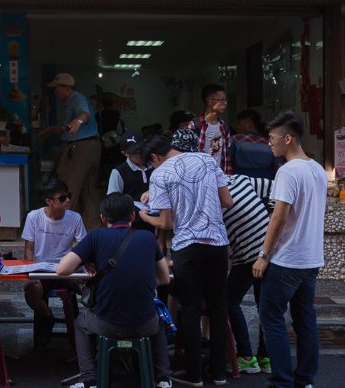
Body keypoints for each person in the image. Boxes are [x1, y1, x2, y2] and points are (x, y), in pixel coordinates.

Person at [140, 131, 233, 388]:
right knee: (217, 308)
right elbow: (227, 201)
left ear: (155, 158)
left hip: (187, 246)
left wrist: (145, 216)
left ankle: (193, 375)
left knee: (190, 310)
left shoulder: (160, 174)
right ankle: (219, 374)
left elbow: (166, 222)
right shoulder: (207, 160)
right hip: (217, 243)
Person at [56, 193, 172, 388]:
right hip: (145, 324)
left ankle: (89, 380)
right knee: (159, 319)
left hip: (106, 324)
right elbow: (164, 278)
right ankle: (163, 378)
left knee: (80, 323)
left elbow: (62, 269)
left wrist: (88, 260)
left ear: (103, 218)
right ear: (132, 216)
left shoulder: (96, 236)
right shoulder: (147, 238)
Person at [252, 111, 327, 388]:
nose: (269, 144)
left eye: (272, 139)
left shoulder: (287, 171)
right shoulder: (317, 168)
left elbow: (279, 217)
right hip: (310, 259)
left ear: (288, 138)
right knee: (304, 319)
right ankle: (304, 379)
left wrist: (263, 255)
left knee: (271, 319)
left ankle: (281, 381)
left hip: (286, 259)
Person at [22, 178, 87, 346]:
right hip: (42, 268)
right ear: (49, 202)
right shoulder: (34, 217)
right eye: (62, 198)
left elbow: (84, 246)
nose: (67, 201)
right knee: (30, 289)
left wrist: (83, 267)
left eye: (68, 196)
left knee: (93, 288)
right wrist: (32, 270)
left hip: (66, 269)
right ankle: (47, 317)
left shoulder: (75, 218)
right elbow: (29, 249)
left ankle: (88, 329)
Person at [223, 174, 272, 375]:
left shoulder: (231, 182)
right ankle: (265, 357)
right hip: (266, 249)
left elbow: (275, 189)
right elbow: (274, 188)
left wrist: (271, 217)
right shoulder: (239, 179)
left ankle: (246, 357)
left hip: (251, 253)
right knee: (264, 305)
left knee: (228, 300)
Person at [38, 73, 101, 229]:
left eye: (57, 89)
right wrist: (51, 130)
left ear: (67, 88)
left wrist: (78, 121)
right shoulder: (73, 101)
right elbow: (66, 126)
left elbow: (84, 114)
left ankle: (59, 229)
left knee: (66, 188)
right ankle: (93, 231)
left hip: (80, 148)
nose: (55, 93)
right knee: (88, 192)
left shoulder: (77, 99)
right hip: (92, 147)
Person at [106, 129, 155, 233]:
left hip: (153, 220)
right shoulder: (119, 172)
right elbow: (113, 202)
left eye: (141, 150)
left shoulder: (154, 166)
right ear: (125, 153)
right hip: (130, 223)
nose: (140, 155)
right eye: (135, 153)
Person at [230, 109, 280, 180]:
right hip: (264, 185)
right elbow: (278, 167)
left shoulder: (234, 140)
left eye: (240, 123)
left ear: (249, 124)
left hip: (239, 184)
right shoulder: (270, 143)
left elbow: (226, 163)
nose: (238, 127)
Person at [197, 84, 232, 174]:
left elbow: (226, 155)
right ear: (210, 102)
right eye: (221, 100)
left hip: (218, 176)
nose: (225, 103)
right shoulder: (195, 125)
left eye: (225, 100)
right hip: (199, 176)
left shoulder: (224, 127)